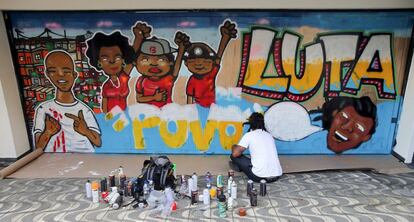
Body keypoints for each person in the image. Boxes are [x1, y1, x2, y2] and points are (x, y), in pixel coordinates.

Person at [33, 50, 101, 152]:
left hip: (86, 157)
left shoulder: (83, 110)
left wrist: (85, 131)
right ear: (47, 74)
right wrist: (48, 132)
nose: (60, 74)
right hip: (56, 161)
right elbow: (38, 147)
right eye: (53, 71)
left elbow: (98, 142)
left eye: (66, 71)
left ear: (74, 75)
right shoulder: (44, 109)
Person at [184, 20, 237, 107]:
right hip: (199, 108)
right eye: (193, 61)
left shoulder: (210, 74)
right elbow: (190, 99)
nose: (199, 64)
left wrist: (225, 38)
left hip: (212, 108)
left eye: (205, 60)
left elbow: (218, 58)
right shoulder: (192, 80)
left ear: (211, 62)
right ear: (186, 63)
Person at [134, 30, 190, 108]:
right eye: (146, 60)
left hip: (166, 113)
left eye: (161, 60)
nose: (154, 64)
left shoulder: (168, 78)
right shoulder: (141, 81)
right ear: (136, 62)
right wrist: (154, 97)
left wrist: (181, 48)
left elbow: (177, 64)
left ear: (170, 63)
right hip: (147, 114)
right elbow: (139, 98)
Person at [86, 31, 138, 113]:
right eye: (105, 59)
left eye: (117, 58)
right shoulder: (106, 85)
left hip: (127, 118)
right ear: (99, 63)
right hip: (112, 119)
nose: (112, 62)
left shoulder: (124, 77)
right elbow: (104, 106)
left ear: (123, 60)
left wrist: (138, 37)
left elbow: (133, 53)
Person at [230, 112, 282, 182]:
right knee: (252, 160)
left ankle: (239, 167)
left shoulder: (249, 135)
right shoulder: (269, 135)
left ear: (251, 124)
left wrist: (233, 146)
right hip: (277, 175)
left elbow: (235, 154)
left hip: (259, 177)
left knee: (233, 156)